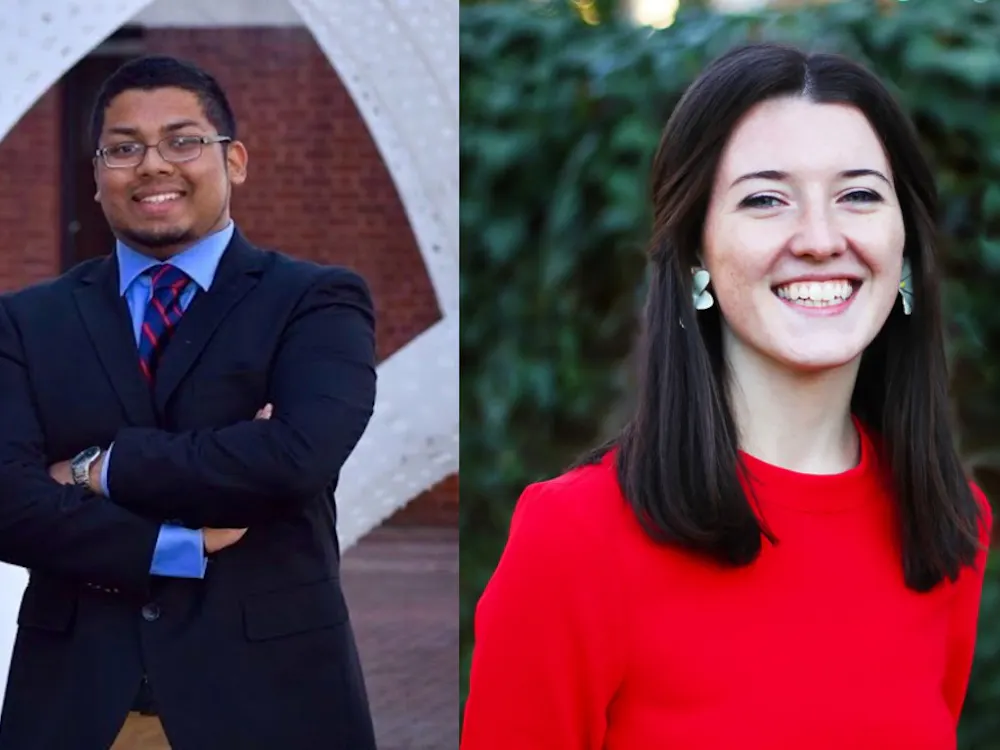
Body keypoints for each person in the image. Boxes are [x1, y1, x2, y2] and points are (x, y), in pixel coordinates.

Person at [461, 42, 994, 749]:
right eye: (766, 199)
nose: (819, 239)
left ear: (905, 248)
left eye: (859, 194)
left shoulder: (950, 523)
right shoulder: (575, 538)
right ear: (695, 254)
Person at [0, 55, 378, 749]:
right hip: (77, 705)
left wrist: (96, 470)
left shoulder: (314, 301)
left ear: (234, 161)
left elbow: (295, 456)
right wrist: (176, 544)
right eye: (124, 148)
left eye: (182, 141)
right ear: (96, 176)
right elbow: (7, 504)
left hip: (269, 702)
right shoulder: (24, 322)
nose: (153, 165)